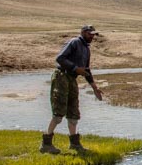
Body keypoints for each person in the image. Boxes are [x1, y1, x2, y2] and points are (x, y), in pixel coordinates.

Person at [40, 25, 103, 154]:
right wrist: (75, 68)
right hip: (61, 76)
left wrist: (95, 87)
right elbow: (60, 58)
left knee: (73, 111)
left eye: (93, 34)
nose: (92, 36)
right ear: (83, 33)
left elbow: (86, 70)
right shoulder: (74, 42)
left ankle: (74, 144)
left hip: (72, 79)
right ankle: (46, 144)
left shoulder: (86, 49)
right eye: (90, 34)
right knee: (59, 111)